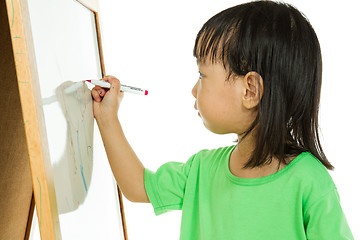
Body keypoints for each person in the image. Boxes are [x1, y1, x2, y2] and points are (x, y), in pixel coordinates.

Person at [91, 1, 353, 239]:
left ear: (250, 90)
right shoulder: (201, 170)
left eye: (202, 75)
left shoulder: (309, 183)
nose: (194, 89)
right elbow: (137, 186)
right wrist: (106, 118)